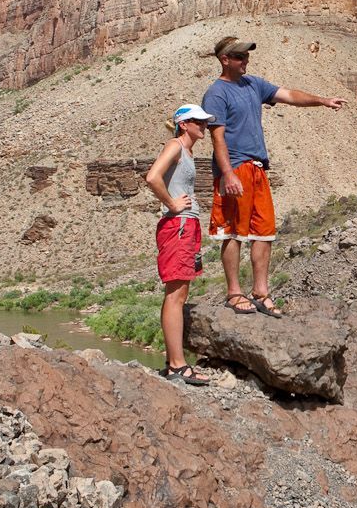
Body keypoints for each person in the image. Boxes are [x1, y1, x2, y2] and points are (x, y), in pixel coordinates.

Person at [202, 36, 345, 317]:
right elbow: (217, 139)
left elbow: (290, 95)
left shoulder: (254, 84)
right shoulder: (216, 93)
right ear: (225, 60)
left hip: (257, 168)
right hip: (236, 169)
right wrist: (228, 174)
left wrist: (322, 101)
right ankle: (233, 292)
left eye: (247, 56)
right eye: (240, 57)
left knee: (264, 233)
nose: (246, 61)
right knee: (233, 232)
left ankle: (261, 292)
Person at [142, 103, 216, 385]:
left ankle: (175, 362)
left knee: (179, 293)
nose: (204, 126)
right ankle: (177, 366)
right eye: (198, 122)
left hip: (186, 225)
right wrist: (172, 203)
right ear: (183, 124)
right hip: (179, 225)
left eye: (205, 122)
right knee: (176, 295)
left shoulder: (187, 151)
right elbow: (152, 177)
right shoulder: (174, 145)